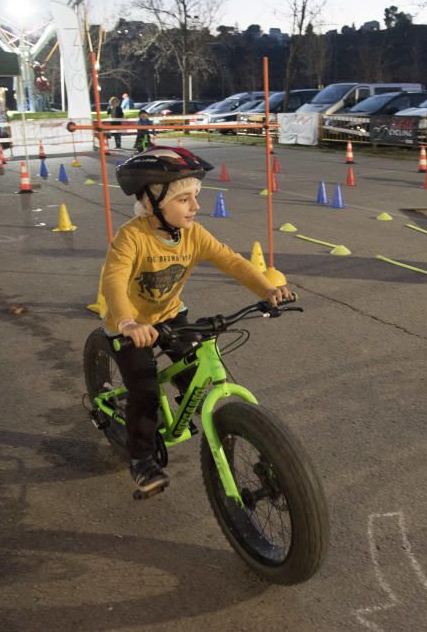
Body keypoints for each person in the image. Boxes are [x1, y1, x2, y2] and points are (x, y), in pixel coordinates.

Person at [100, 146, 291, 494]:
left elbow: (231, 261)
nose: (196, 207)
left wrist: (267, 290)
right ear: (153, 201)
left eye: (196, 197)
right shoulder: (131, 237)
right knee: (144, 392)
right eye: (184, 199)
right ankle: (141, 459)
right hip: (129, 326)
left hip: (170, 314)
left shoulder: (193, 234)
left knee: (194, 377)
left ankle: (214, 425)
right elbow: (113, 281)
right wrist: (128, 323)